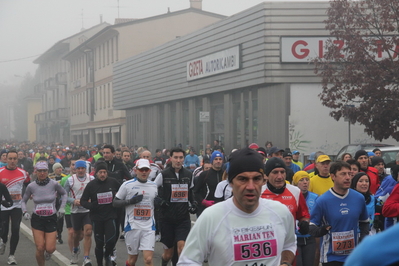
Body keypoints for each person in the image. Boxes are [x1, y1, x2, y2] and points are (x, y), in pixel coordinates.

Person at [177, 147, 296, 266]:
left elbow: (290, 243)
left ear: (264, 180)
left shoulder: (280, 212)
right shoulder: (211, 217)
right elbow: (187, 261)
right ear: (230, 182)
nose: (250, 186)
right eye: (243, 179)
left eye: (256, 179)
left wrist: (285, 262)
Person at [309, 161, 369, 266]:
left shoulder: (359, 198)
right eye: (343, 174)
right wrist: (321, 230)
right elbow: (312, 226)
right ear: (333, 176)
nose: (347, 178)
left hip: (353, 256)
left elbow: (364, 222)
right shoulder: (322, 201)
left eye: (349, 174)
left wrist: (363, 239)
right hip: (331, 257)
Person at [154, 147, 197, 265]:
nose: (178, 160)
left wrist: (193, 204)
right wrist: (160, 202)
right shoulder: (163, 175)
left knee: (181, 249)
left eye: (181, 158)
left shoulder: (189, 174)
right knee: (168, 254)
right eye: (176, 157)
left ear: (184, 159)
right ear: (171, 158)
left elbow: (191, 193)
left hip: (183, 219)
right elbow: (153, 193)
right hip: (166, 219)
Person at [21, 161, 67, 266]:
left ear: (47, 171)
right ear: (36, 172)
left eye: (44, 171)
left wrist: (62, 208)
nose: (42, 173)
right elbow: (23, 200)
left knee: (50, 248)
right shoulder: (31, 186)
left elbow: (64, 194)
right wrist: (24, 212)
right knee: (40, 247)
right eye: (40, 171)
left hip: (51, 218)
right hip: (37, 218)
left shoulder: (54, 184)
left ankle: (49, 253)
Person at [113, 159, 158, 266]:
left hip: (148, 227)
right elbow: (115, 202)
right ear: (136, 170)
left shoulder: (154, 186)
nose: (143, 172)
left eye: (146, 170)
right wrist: (130, 201)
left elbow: (155, 204)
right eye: (141, 169)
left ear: (149, 171)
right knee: (132, 260)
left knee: (148, 259)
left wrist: (158, 203)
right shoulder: (127, 185)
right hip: (132, 226)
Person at [80, 162, 121, 266]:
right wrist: (92, 206)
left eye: (104, 172)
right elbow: (83, 201)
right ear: (96, 173)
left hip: (110, 216)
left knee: (111, 241)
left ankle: (107, 255)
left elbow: (123, 193)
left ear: (107, 173)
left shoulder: (113, 182)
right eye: (100, 172)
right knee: (99, 243)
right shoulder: (91, 185)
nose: (102, 174)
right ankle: (99, 263)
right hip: (97, 218)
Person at [261, 157, 310, 234]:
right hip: (267, 242)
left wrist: (304, 223)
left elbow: (303, 216)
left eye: (282, 172)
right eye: (275, 172)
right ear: (266, 175)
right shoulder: (259, 193)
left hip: (288, 243)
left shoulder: (295, 192)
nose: (280, 176)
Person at [0, 150, 30, 265]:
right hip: (3, 206)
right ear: (6, 159)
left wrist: (30, 194)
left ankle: (11, 255)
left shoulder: (23, 173)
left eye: (14, 159)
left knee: (16, 229)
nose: (12, 161)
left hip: (17, 206)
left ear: (17, 159)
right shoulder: (1, 172)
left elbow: (28, 185)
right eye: (10, 158)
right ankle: (3, 240)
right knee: (4, 230)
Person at [64, 160, 95, 265]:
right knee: (76, 234)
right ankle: (76, 249)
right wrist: (73, 201)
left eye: (82, 168)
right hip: (76, 211)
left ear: (85, 169)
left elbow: (96, 192)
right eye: (78, 168)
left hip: (88, 210)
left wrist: (92, 200)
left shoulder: (91, 179)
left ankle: (86, 257)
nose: (80, 170)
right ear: (75, 169)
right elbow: (64, 196)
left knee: (88, 232)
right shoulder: (70, 180)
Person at [292, 171, 318, 266]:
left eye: (307, 179)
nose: (305, 182)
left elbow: (317, 217)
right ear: (295, 183)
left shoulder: (315, 197)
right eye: (301, 180)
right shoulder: (292, 196)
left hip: (309, 238)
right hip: (295, 239)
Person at [193, 151, 224, 217]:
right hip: (206, 208)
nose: (218, 161)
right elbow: (195, 192)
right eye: (216, 159)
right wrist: (204, 201)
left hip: (221, 209)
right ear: (212, 161)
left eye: (220, 159)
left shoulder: (225, 174)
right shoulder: (204, 175)